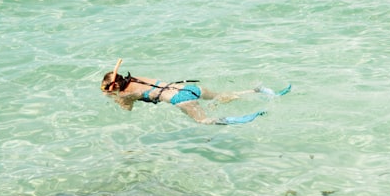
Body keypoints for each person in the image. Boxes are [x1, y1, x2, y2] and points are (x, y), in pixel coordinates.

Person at [100, 59, 290, 125]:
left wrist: (115, 99)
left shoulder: (125, 94)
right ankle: (258, 91)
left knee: (204, 121)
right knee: (221, 95)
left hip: (178, 98)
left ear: (115, 86)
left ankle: (243, 119)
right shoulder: (135, 78)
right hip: (187, 87)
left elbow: (127, 110)